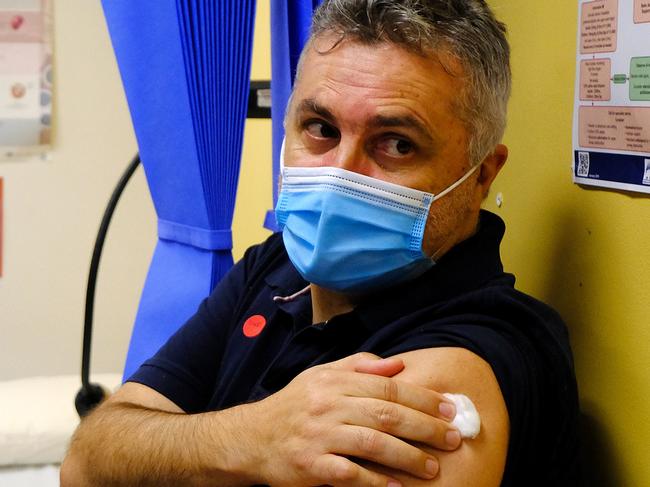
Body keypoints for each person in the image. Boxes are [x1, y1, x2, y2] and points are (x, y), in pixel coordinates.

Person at [61, 1, 580, 485]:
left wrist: (188, 446)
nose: (339, 176)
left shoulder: (460, 363)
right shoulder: (276, 267)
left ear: (481, 174)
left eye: (397, 143)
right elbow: (87, 460)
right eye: (320, 128)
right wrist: (253, 436)